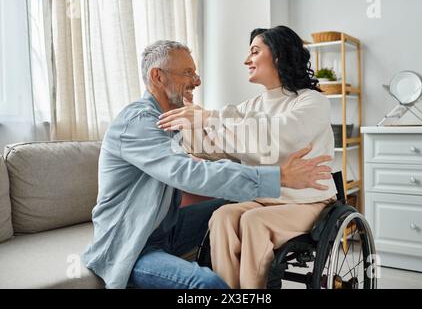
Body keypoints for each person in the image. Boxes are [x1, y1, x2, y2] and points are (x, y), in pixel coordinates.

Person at [81, 39, 333, 289]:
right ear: (157, 77)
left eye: (195, 72)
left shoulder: (169, 119)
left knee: (230, 207)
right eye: (187, 73)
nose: (198, 81)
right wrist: (279, 177)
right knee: (209, 283)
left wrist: (207, 121)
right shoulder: (138, 122)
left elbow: (220, 144)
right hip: (132, 241)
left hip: (164, 229)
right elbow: (189, 172)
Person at [157, 26, 337, 288]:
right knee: (222, 216)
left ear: (278, 55)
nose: (246, 60)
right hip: (263, 199)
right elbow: (214, 145)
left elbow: (274, 139)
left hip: (308, 202)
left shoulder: (312, 102)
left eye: (254, 51)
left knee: (253, 221)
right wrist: (185, 117)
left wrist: (210, 117)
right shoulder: (249, 107)